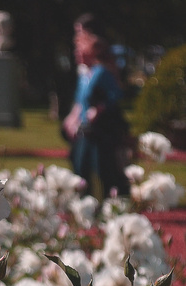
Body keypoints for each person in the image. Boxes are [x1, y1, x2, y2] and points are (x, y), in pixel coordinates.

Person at [62, 14, 130, 199]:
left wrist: (99, 109)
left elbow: (115, 95)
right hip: (85, 130)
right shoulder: (86, 74)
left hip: (101, 132)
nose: (76, 53)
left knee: (104, 169)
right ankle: (86, 201)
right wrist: (73, 119)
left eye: (80, 49)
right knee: (80, 165)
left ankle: (109, 200)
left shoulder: (101, 72)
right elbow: (80, 101)